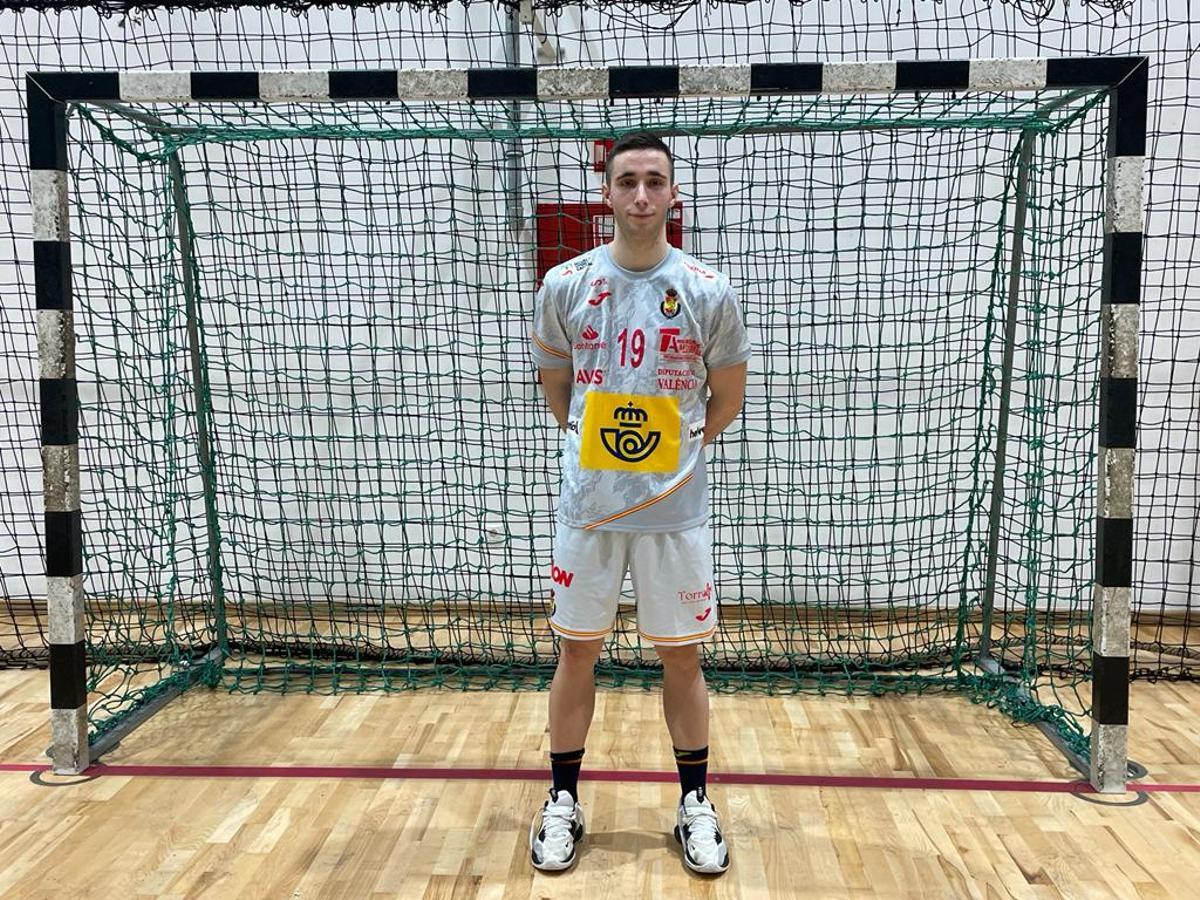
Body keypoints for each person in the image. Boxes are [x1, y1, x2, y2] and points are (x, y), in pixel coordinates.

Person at [527, 131, 751, 875]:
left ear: (674, 193)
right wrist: (603, 455)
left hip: (674, 514)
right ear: (608, 194)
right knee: (576, 651)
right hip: (589, 509)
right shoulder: (565, 284)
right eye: (628, 181)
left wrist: (672, 455)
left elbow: (727, 397)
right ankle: (562, 800)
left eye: (655, 180)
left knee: (682, 657)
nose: (642, 195)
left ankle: (695, 803)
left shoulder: (708, 290)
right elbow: (558, 387)